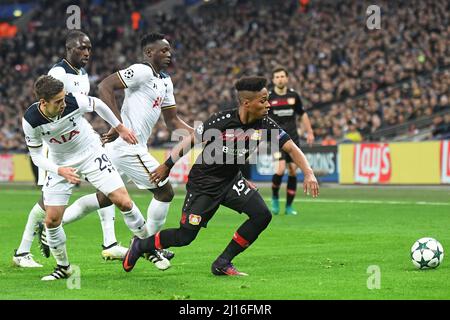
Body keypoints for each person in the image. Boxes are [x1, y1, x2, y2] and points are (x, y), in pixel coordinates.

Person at [121, 76, 319, 276]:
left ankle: (223, 262)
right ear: (246, 103)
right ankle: (141, 245)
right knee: (185, 236)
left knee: (261, 215)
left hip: (232, 181)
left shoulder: (265, 124)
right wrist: (167, 165)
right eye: (263, 100)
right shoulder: (222, 120)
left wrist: (308, 173)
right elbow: (190, 140)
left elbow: (291, 148)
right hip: (204, 184)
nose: (268, 104)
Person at [51, 32, 193, 269]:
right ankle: (147, 245)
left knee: (104, 198)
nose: (169, 54)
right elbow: (105, 85)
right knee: (165, 192)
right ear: (149, 53)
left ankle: (52, 225)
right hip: (129, 147)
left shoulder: (165, 80)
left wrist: (200, 131)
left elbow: (172, 121)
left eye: (170, 50)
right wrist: (118, 125)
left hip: (124, 147)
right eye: (163, 50)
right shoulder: (141, 70)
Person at [22, 75, 156, 280]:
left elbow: (100, 104)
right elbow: (37, 156)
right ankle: (63, 267)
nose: (63, 103)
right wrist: (59, 170)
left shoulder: (73, 101)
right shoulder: (31, 120)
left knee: (123, 201)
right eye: (58, 101)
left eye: (63, 98)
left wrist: (119, 127)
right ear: (43, 103)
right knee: (51, 219)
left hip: (92, 153)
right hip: (60, 164)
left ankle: (149, 247)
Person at [13, 31, 128, 267]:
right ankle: (23, 251)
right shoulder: (58, 73)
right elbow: (48, 104)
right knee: (46, 204)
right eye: (81, 48)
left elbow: (77, 109)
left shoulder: (82, 75)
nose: (86, 53)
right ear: (68, 49)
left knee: (104, 185)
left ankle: (110, 243)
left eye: (88, 48)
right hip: (56, 149)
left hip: (80, 143)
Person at [268, 67, 315, 216]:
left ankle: (288, 206)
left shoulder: (294, 96)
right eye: (277, 76)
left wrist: (309, 132)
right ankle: (275, 199)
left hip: (292, 138)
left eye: (282, 76)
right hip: (276, 137)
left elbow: (303, 114)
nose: (280, 79)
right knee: (280, 169)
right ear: (273, 80)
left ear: (287, 78)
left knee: (293, 171)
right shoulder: (269, 97)